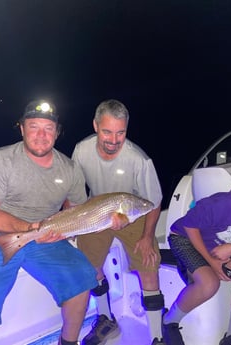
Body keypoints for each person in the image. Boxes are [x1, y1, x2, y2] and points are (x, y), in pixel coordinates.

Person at [0, 100, 98, 345]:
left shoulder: (69, 168)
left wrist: (65, 228)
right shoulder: (0, 160)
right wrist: (31, 229)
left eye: (48, 128)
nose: (41, 135)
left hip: (47, 237)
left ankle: (67, 342)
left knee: (83, 277)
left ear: (57, 133)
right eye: (34, 126)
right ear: (22, 129)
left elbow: (76, 209)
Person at [72, 99, 165, 345]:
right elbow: (74, 194)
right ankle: (106, 319)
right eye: (107, 131)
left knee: (149, 264)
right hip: (96, 211)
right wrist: (70, 225)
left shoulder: (139, 160)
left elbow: (154, 202)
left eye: (120, 132)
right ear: (95, 126)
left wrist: (146, 238)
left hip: (134, 213)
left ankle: (157, 335)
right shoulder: (81, 151)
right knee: (87, 267)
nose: (113, 140)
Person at [162, 187, 231, 345]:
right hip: (186, 238)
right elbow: (190, 225)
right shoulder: (228, 204)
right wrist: (213, 264)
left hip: (220, 246)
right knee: (209, 284)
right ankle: (169, 322)